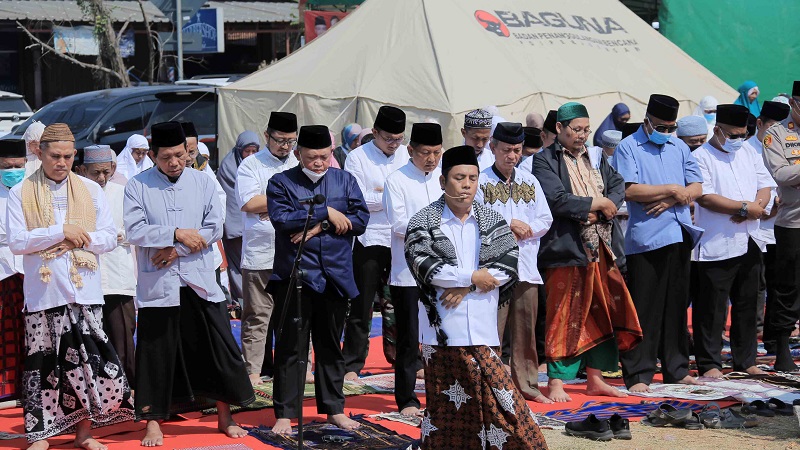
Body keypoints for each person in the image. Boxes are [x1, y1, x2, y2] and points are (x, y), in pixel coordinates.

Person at [404, 144, 547, 450]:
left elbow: (507, 263)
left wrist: (466, 287)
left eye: (472, 177)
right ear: (443, 182)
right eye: (459, 177)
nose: (466, 184)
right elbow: (424, 263)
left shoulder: (491, 218)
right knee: (445, 407)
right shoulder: (423, 221)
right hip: (441, 330)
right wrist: (470, 277)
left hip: (483, 326)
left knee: (500, 396)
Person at [124, 121, 254, 447]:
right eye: (166, 157)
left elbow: (213, 227)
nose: (174, 162)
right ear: (153, 156)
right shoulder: (137, 185)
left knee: (217, 346)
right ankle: (153, 420)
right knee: (155, 353)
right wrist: (176, 234)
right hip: (158, 286)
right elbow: (134, 230)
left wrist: (176, 250)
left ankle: (226, 415)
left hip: (198, 278)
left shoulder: (204, 181)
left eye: (180, 155)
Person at [7, 123, 134, 450]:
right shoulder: (20, 192)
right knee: (42, 366)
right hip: (43, 293)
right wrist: (61, 230)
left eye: (67, 155)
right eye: (54, 155)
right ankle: (41, 435)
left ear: (74, 155)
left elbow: (108, 237)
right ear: (39, 153)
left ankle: (84, 434)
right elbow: (18, 241)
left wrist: (82, 236)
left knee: (85, 366)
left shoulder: (90, 190)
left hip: (84, 291)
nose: (61, 162)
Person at [533, 103, 642, 402]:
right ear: (559, 129)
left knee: (601, 312)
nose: (582, 136)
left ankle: (596, 377)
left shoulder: (594, 156)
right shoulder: (543, 161)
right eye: (576, 130)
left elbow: (617, 183)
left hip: (602, 248)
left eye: (586, 130)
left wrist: (606, 205)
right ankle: (557, 381)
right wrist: (598, 206)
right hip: (566, 249)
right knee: (562, 315)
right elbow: (556, 199)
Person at [267, 125, 369, 434]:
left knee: (330, 345)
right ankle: (285, 413)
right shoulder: (281, 183)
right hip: (296, 275)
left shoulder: (345, 180)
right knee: (290, 346)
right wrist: (327, 212)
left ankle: (334, 409)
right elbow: (283, 220)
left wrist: (318, 226)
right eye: (312, 157)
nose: (319, 163)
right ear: (298, 154)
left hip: (335, 273)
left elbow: (360, 220)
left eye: (324, 157)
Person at [613, 94, 704, 392]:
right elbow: (629, 190)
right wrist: (671, 192)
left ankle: (676, 368)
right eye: (661, 126)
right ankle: (639, 373)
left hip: (679, 233)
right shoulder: (629, 147)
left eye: (671, 127)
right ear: (648, 120)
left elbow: (697, 187)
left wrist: (671, 198)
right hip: (647, 238)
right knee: (645, 308)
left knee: (676, 306)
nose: (666, 132)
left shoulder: (679, 146)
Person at [691, 104, 775, 378]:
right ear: (717, 130)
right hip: (718, 240)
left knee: (748, 303)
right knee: (712, 307)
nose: (738, 139)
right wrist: (742, 208)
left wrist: (754, 207)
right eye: (733, 134)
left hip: (751, 237)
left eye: (743, 134)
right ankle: (710, 363)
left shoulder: (748, 152)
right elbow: (705, 196)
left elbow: (766, 185)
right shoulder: (701, 156)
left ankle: (745, 359)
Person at [476, 122, 553, 403]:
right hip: (494, 268)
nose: (512, 156)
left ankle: (528, 386)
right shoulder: (480, 181)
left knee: (526, 331)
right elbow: (475, 218)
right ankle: (491, 387)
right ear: (493, 148)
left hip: (526, 266)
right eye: (506, 150)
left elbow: (546, 218)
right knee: (491, 330)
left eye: (517, 150)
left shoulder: (529, 181)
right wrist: (509, 224)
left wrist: (527, 228)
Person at [342, 106, 408, 380]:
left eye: (398, 139)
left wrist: (383, 195)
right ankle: (353, 363)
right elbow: (357, 198)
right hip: (368, 238)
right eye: (388, 138)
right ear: (376, 133)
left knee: (402, 303)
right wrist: (392, 197)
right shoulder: (357, 158)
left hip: (399, 237)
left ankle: (405, 360)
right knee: (362, 304)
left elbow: (411, 192)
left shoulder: (406, 155)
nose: (393, 144)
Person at [383, 122, 443, 416]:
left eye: (436, 152)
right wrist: (438, 230)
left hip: (442, 272)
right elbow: (398, 224)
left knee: (441, 336)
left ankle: (442, 394)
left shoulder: (444, 180)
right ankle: (406, 399)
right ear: (410, 151)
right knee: (409, 339)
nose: (431, 159)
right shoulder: (397, 180)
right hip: (407, 272)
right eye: (424, 153)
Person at [236, 113, 299, 385]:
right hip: (260, 252)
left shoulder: (300, 162)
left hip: (295, 251)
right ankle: (252, 370)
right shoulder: (251, 165)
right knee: (257, 316)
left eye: (291, 141)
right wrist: (290, 202)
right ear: (266, 136)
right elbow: (249, 203)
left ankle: (298, 367)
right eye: (280, 140)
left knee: (295, 316)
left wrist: (271, 206)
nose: (286, 147)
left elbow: (314, 200)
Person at [80, 145, 137, 384]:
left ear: (113, 168)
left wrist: (120, 235)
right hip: (87, 275)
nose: (102, 178)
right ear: (83, 170)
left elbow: (137, 228)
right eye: (95, 173)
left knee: (122, 333)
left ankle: (126, 388)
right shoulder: (78, 193)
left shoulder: (123, 192)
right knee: (93, 336)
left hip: (118, 274)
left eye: (106, 172)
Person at [760, 80, 800, 371]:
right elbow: (783, 174)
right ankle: (782, 348)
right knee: (788, 288)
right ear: (794, 104)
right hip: (793, 225)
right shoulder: (776, 135)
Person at [747, 101, 790, 344]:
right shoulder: (746, 150)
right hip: (754, 226)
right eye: (772, 126)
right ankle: (753, 332)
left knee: (780, 281)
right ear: (760, 124)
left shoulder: (789, 144)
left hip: (782, 227)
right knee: (755, 284)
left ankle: (776, 336)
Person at [217, 131, 261, 311]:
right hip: (235, 227)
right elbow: (231, 201)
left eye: (254, 151)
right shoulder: (228, 168)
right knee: (237, 266)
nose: (250, 155)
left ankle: (257, 300)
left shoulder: (259, 166)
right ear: (239, 150)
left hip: (256, 224)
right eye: (247, 151)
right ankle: (243, 301)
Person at [0, 139, 26, 402]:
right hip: (2, 270)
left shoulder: (33, 190)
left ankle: (29, 386)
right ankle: (6, 389)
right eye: (7, 167)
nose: (13, 171)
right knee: (5, 330)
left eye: (18, 166)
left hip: (31, 268)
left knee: (30, 330)